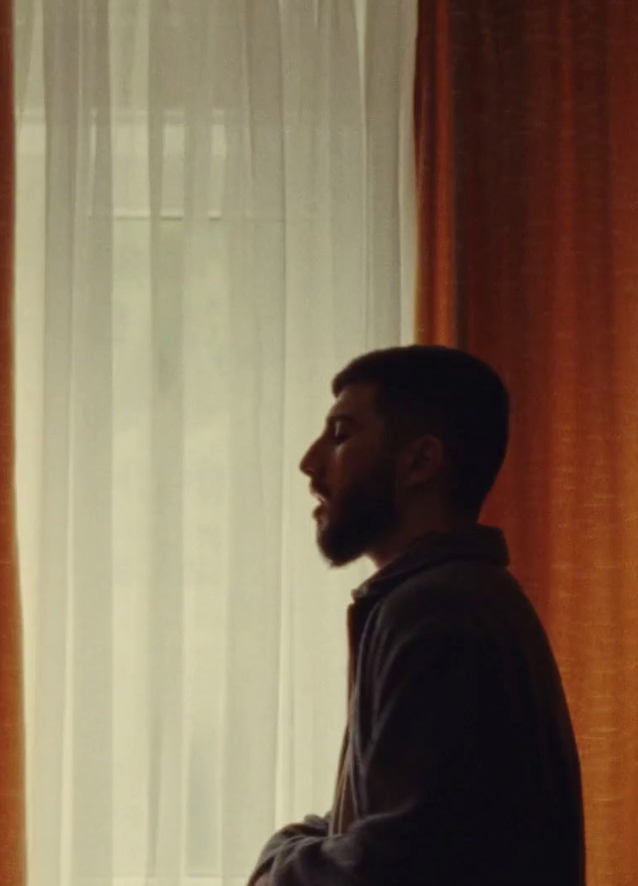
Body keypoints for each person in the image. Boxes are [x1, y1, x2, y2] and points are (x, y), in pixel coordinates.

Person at [249, 345, 584, 886]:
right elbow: (399, 825)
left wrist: (276, 865)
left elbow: (399, 864)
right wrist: (293, 848)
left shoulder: (440, 614)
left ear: (421, 463)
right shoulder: (452, 600)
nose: (310, 463)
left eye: (341, 435)